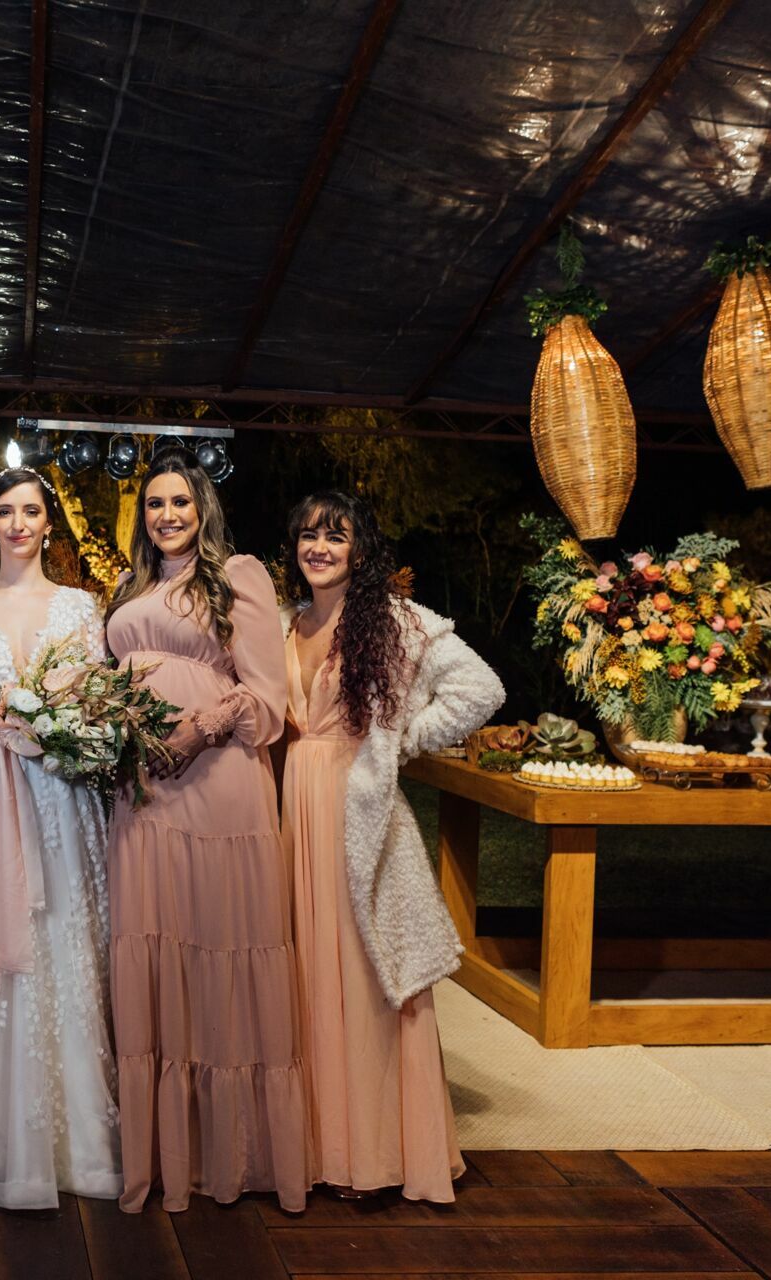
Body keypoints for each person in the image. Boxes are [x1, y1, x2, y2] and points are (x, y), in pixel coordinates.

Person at [281, 490, 503, 1203]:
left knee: (365, 980)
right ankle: (315, 1148)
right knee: (304, 979)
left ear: (361, 551)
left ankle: (373, 1155)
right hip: (293, 816)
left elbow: (480, 689)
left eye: (335, 536)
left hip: (358, 816)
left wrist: (400, 741)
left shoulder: (398, 624)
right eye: (308, 535)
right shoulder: (287, 625)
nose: (319, 547)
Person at [101, 452, 309, 1214]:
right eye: (154, 503)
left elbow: (267, 699)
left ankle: (232, 1157)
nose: (166, 515)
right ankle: (160, 1159)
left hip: (217, 783)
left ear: (203, 507)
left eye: (179, 502)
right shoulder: (129, 590)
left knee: (219, 944)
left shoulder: (237, 577)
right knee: (155, 948)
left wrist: (197, 730)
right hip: (146, 792)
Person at [0, 467, 122, 1209]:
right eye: (4, 511)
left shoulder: (80, 607)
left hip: (56, 801)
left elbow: (98, 702)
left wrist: (52, 724)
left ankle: (73, 1139)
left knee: (59, 945)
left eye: (30, 511)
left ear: (49, 524)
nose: (17, 523)